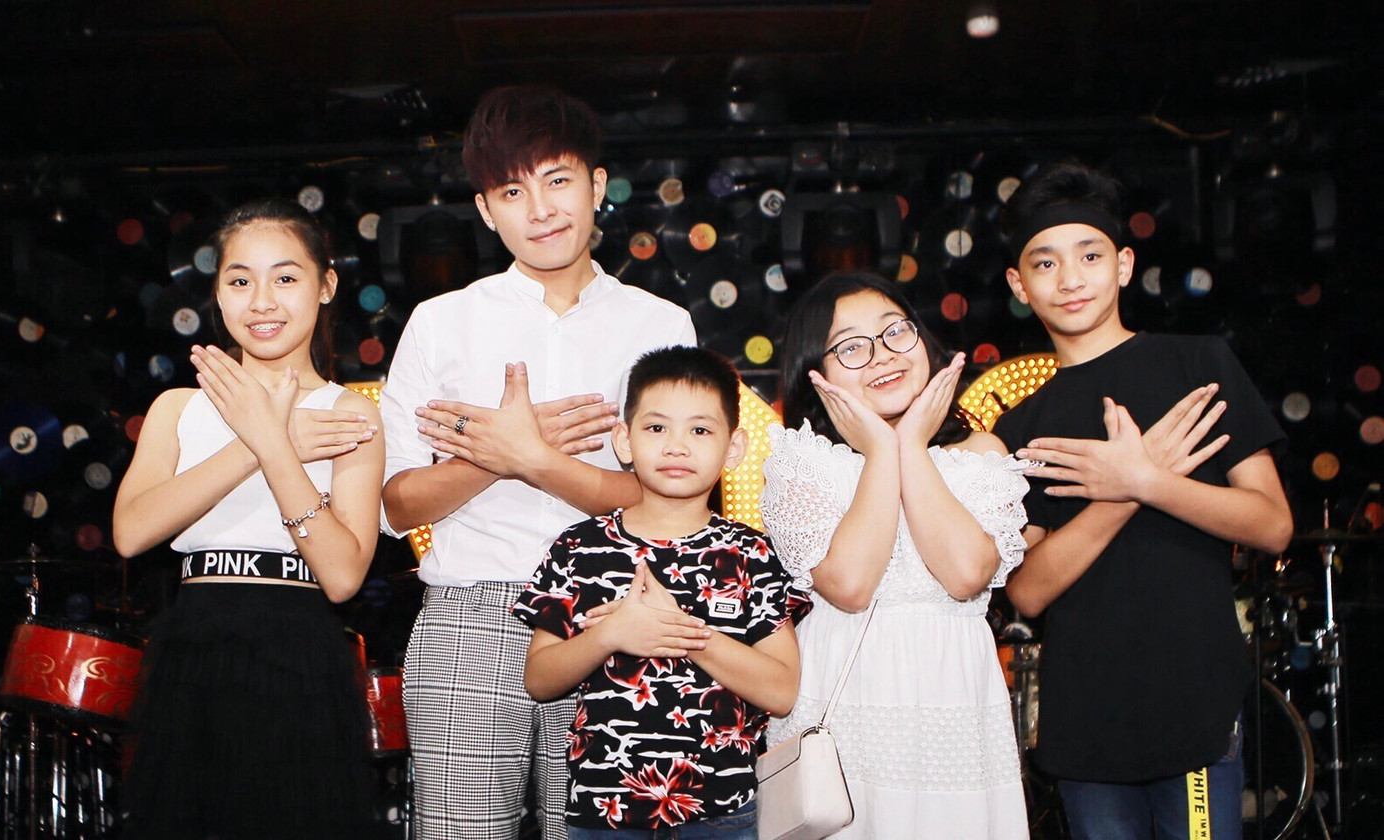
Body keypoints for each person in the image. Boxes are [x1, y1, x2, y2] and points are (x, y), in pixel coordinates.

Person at [380, 85, 697, 839]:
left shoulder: (660, 324)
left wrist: (530, 455)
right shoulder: (440, 322)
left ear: (596, 184)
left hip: (615, 609)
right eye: (512, 192)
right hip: (469, 613)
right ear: (486, 210)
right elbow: (396, 505)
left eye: (557, 181)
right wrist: (500, 457)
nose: (541, 209)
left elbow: (671, 502)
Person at [992, 161, 1294, 840]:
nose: (1070, 279)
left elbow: (1273, 525)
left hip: (1195, 704)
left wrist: (1151, 481)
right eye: (1045, 263)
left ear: (1124, 265)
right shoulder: (1020, 429)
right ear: (1019, 284)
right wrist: (1125, 491)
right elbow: (1028, 592)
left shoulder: (1200, 366)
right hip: (1085, 719)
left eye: (1090, 256)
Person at [112, 198, 384, 839]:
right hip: (191, 651)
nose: (262, 302)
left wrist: (275, 447)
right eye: (240, 281)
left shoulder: (351, 413)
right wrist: (259, 441)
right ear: (217, 293)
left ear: (326, 286)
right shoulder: (178, 407)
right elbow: (130, 532)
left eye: (285, 278)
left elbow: (343, 576)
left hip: (299, 655)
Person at [759, 271, 1032, 839]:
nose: (882, 354)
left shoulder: (979, 452)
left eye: (895, 332)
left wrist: (910, 445)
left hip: (952, 703)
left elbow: (965, 574)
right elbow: (851, 586)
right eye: (851, 347)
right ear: (816, 373)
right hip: (844, 709)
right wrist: (883, 451)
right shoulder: (803, 462)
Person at [513, 345, 812, 839]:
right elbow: (539, 680)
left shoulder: (750, 553)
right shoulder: (580, 547)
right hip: (605, 809)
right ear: (623, 440)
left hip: (721, 809)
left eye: (700, 430)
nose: (677, 446)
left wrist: (683, 633)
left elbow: (781, 692)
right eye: (656, 428)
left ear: (734, 447)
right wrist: (610, 635)